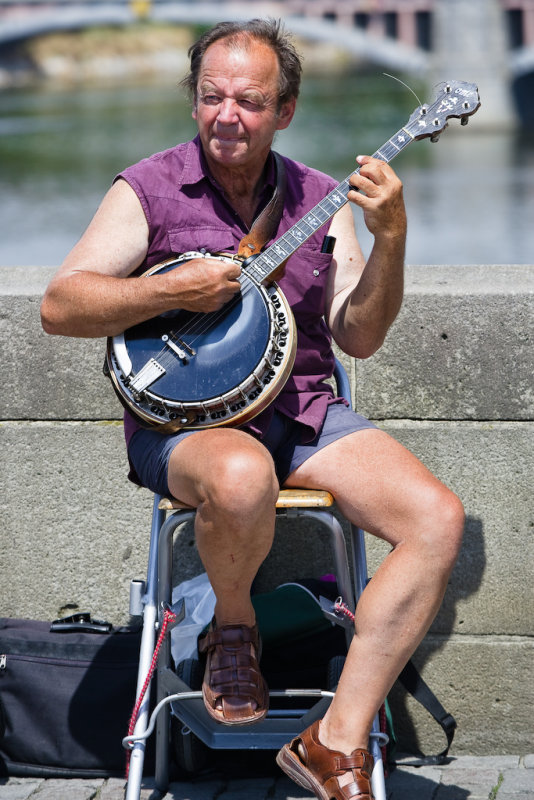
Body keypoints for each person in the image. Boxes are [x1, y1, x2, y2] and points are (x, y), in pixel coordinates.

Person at [40, 18, 464, 800]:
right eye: (211, 97)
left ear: (286, 110)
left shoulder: (320, 199)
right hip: (186, 425)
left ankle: (334, 742)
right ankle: (234, 630)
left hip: (302, 411)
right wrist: (168, 290)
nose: (227, 115)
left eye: (250, 100)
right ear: (194, 101)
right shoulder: (149, 188)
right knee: (239, 478)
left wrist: (393, 239)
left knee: (436, 518)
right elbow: (62, 306)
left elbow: (358, 337)